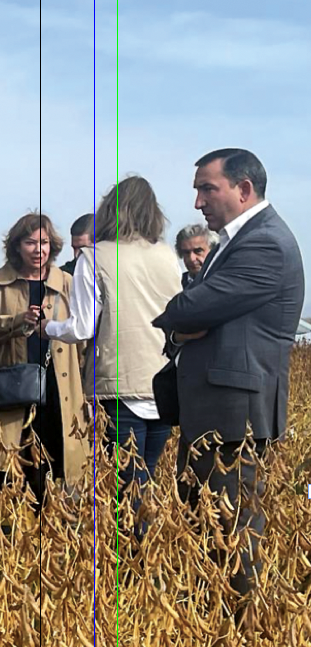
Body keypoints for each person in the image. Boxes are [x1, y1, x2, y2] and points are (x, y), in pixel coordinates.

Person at [151, 148, 304, 602]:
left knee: (232, 539)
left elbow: (188, 307)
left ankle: (242, 631)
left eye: (207, 188)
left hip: (234, 418)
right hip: (215, 413)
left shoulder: (264, 243)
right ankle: (211, 625)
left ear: (244, 189)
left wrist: (180, 322)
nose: (198, 202)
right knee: (205, 530)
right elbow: (188, 317)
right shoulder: (232, 243)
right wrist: (180, 331)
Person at [43, 177, 181, 488]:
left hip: (118, 385)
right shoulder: (167, 255)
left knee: (123, 485)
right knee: (146, 479)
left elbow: (82, 327)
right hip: (163, 384)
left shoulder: (95, 256)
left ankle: (128, 523)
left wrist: (47, 327)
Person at [0, 213, 89, 508]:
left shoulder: (67, 282)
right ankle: (11, 524)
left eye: (44, 243)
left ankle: (53, 522)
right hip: (13, 387)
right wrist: (17, 321)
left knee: (57, 460)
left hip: (59, 388)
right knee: (9, 464)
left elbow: (84, 335)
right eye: (30, 243)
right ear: (16, 246)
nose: (38, 250)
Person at [174, 223, 215, 288]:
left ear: (213, 250)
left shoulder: (226, 281)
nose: (192, 258)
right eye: (186, 252)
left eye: (198, 251)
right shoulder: (176, 285)